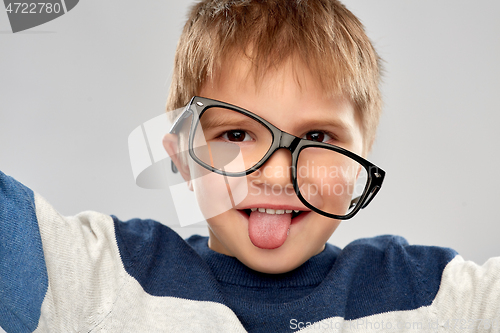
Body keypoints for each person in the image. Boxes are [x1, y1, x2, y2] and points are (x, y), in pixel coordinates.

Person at [1, 0, 499, 332]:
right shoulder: (104, 278)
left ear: (359, 163)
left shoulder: (432, 295)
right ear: (180, 156)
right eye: (236, 135)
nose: (278, 175)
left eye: (318, 137)